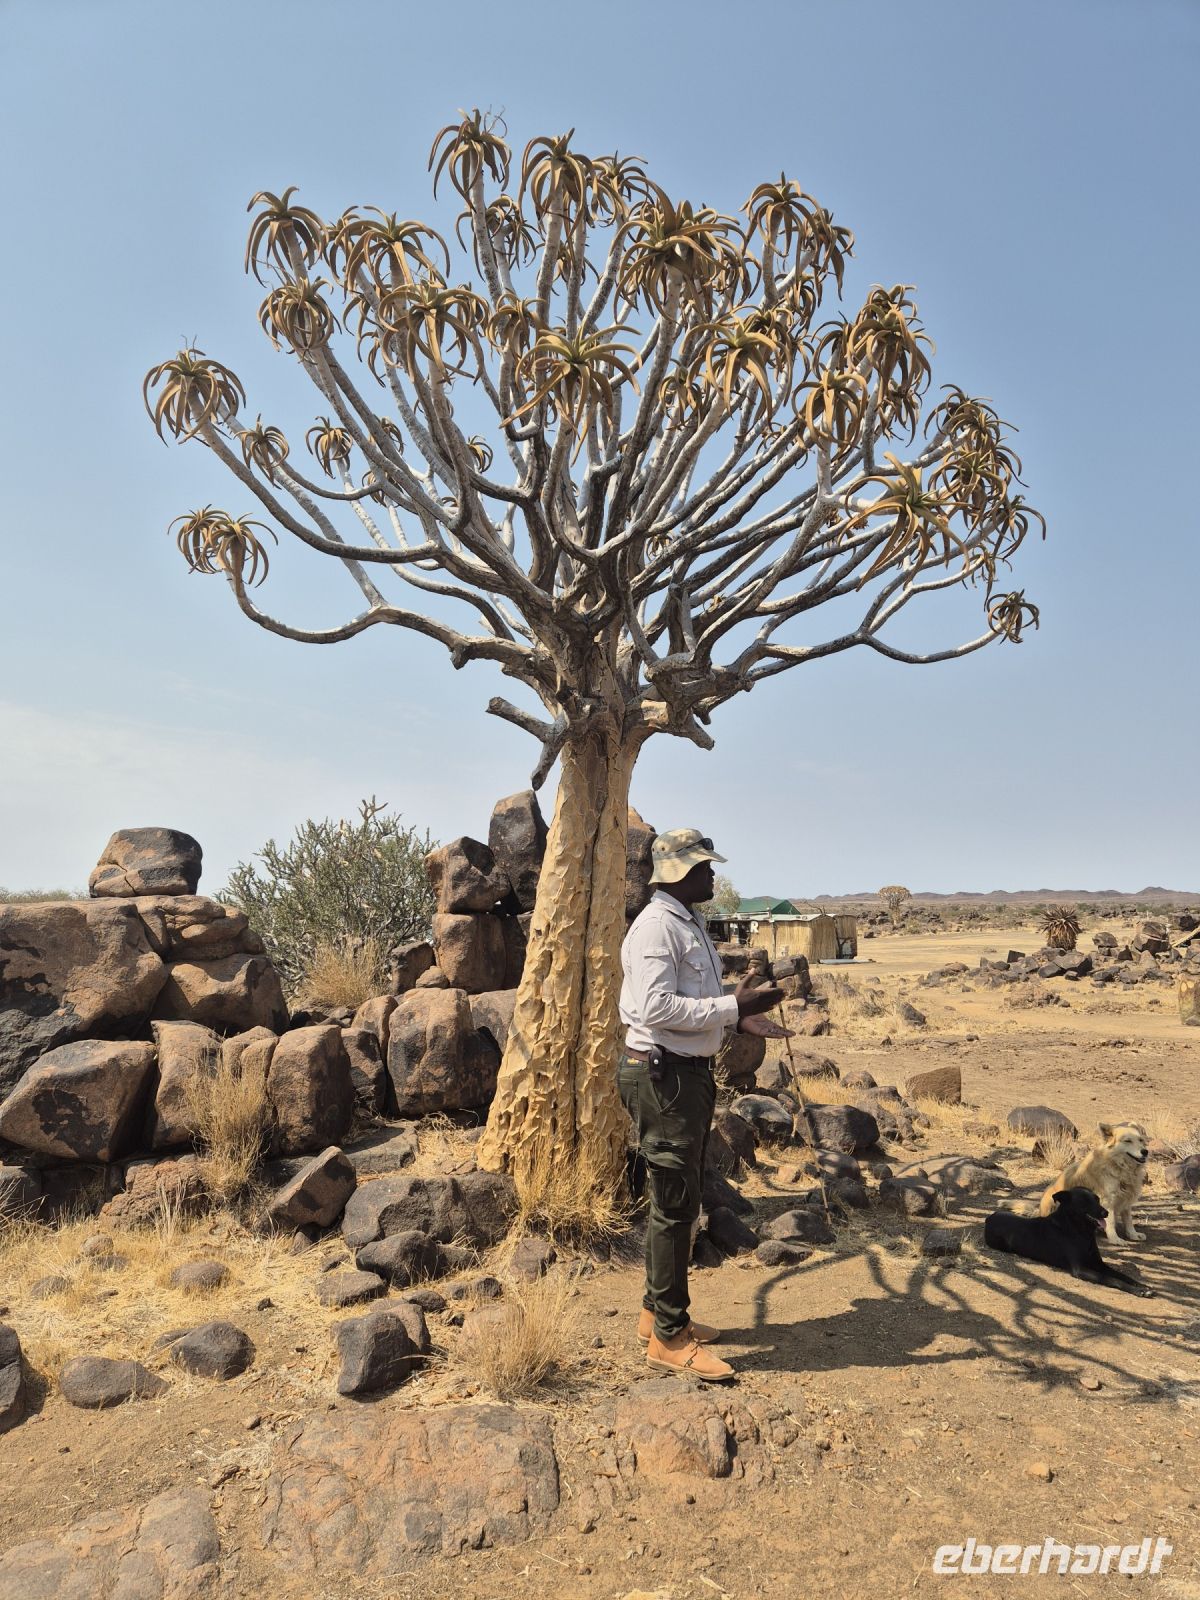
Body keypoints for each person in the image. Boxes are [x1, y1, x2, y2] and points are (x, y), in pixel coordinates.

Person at [619, 827, 790, 1382]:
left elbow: (692, 1002)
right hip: (664, 1078)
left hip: (682, 1075)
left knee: (677, 1197)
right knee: (673, 1203)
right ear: (676, 873)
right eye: (703, 866)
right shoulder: (655, 929)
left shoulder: (685, 923)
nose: (712, 873)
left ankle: (657, 1315)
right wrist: (730, 1005)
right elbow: (657, 1008)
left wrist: (739, 1016)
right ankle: (670, 1338)